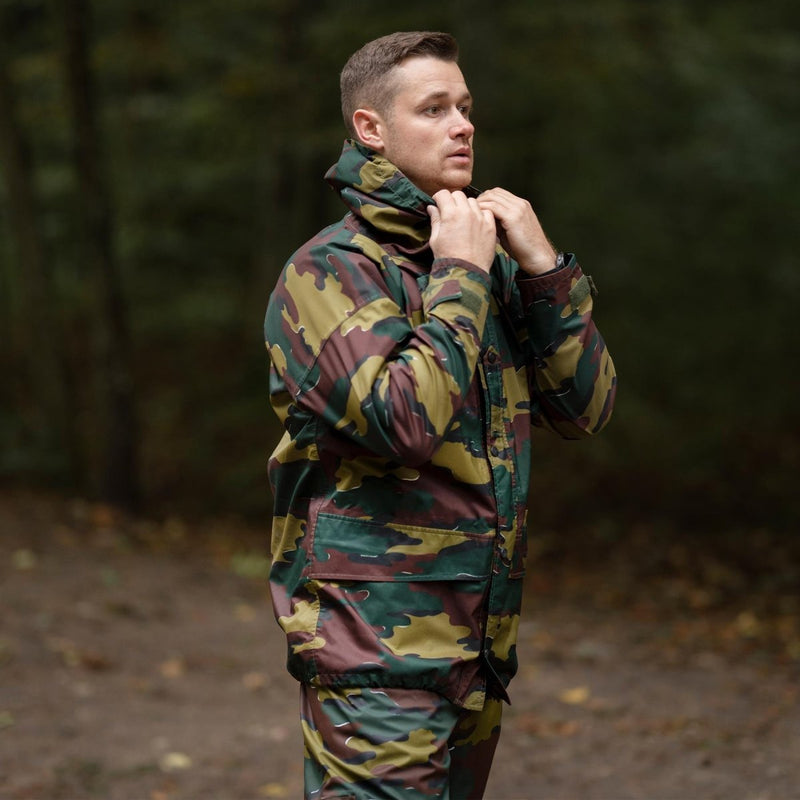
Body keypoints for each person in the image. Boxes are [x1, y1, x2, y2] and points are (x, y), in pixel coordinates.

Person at [263, 30, 616, 799]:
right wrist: (460, 270)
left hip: (478, 650)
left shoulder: (484, 263)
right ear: (370, 130)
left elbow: (586, 409)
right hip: (374, 656)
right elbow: (403, 421)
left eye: (466, 107)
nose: (464, 124)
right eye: (435, 108)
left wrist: (545, 269)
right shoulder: (331, 270)